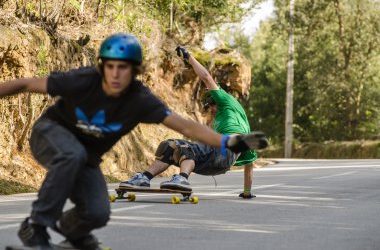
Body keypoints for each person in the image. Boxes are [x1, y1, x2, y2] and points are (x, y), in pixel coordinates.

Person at [0, 34, 266, 250]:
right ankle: (35, 224)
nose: (115, 74)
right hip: (50, 134)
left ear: (134, 71)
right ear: (102, 66)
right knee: (72, 155)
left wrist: (229, 142)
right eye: (110, 66)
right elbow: (25, 84)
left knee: (97, 213)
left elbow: (185, 126)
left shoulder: (140, 99)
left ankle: (74, 233)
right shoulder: (83, 80)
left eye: (123, 68)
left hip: (86, 156)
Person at [119, 46, 267, 199]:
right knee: (170, 147)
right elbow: (249, 164)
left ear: (214, 101)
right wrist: (247, 192)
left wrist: (189, 57)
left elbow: (206, 77)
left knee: (184, 147)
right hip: (218, 165)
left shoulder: (225, 101)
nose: (211, 111)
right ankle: (144, 178)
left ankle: (182, 178)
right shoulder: (241, 124)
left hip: (223, 154)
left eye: (211, 108)